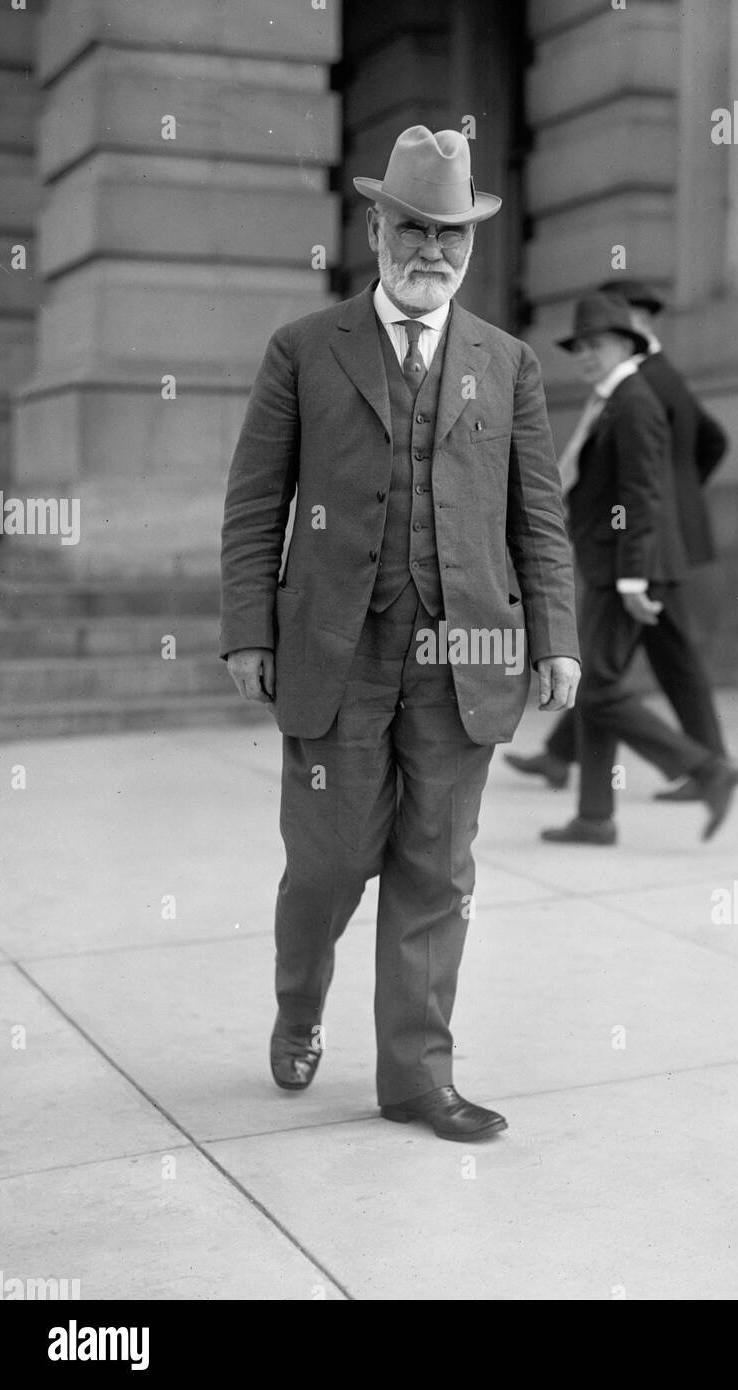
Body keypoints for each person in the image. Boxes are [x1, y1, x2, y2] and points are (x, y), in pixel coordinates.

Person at [220, 126, 580, 1141]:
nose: (431, 252)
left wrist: (553, 636)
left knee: (437, 867)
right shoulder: (302, 350)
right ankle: (299, 1004)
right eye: (412, 229)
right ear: (375, 228)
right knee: (331, 861)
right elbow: (255, 504)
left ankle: (417, 1078)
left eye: (450, 236)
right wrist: (248, 629)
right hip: (336, 649)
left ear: (470, 246)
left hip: (466, 653)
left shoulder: (504, 364)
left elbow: (535, 516)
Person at [508, 279, 738, 809]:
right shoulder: (617, 397)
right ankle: (593, 810)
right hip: (626, 556)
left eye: (598, 343)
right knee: (609, 680)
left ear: (630, 339)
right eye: (580, 345)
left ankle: (704, 768)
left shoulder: (641, 395)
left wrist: (646, 553)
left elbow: (643, 489)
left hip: (631, 561)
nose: (586, 354)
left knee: (600, 685)